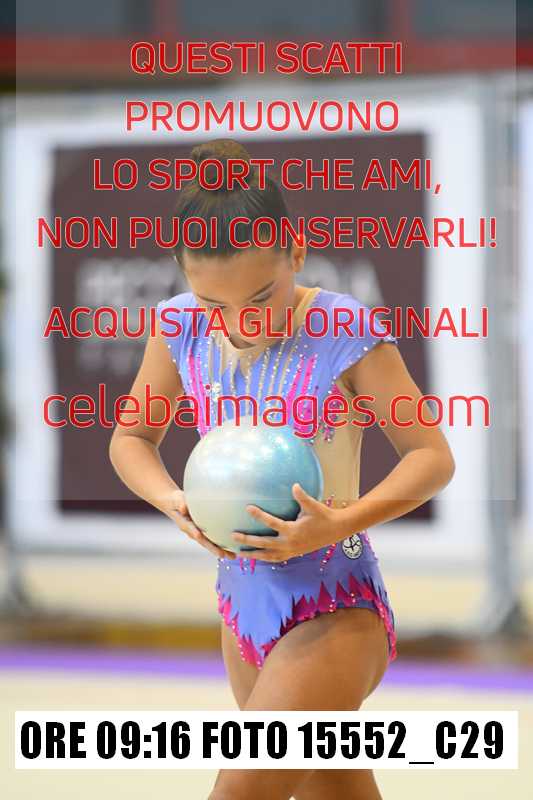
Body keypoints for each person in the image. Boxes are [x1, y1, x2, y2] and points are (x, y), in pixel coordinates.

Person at [109, 138, 455, 800]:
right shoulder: (177, 327)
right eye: (215, 305)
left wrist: (338, 523)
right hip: (241, 606)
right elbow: (131, 438)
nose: (240, 321)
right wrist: (175, 500)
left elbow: (431, 457)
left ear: (295, 252)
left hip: (334, 603)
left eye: (261, 296)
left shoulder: (343, 327)